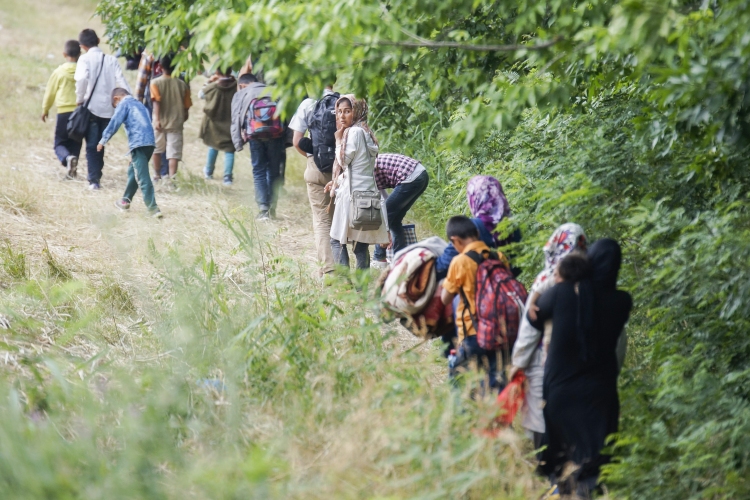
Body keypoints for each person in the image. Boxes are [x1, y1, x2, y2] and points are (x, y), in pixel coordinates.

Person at [529, 238, 632, 497]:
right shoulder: (622, 301)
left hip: (559, 390)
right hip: (600, 394)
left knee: (563, 460)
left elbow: (535, 320)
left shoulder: (562, 293)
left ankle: (563, 492)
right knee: (595, 463)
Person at [509, 224, 587, 448]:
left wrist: (518, 362)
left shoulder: (547, 280)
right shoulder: (593, 281)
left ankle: (547, 470)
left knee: (540, 415)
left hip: (545, 361)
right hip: (582, 363)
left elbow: (530, 327)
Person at [440, 215, 510, 391]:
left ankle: (465, 416)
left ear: (455, 241)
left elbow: (445, 298)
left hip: (473, 331)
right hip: (500, 330)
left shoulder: (460, 261)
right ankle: (496, 416)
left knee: (463, 383)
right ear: (477, 233)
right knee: (496, 382)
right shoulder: (499, 256)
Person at [325, 95, 388, 269]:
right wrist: (337, 181)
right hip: (367, 194)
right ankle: (363, 289)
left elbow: (344, 161)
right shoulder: (366, 131)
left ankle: (345, 283)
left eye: (347, 111)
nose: (341, 116)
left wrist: (338, 140)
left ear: (357, 111)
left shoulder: (354, 132)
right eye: (339, 112)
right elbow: (359, 166)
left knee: (337, 239)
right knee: (360, 245)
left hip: (351, 196)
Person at [289, 85, 339, 275]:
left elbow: (297, 142)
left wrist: (314, 158)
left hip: (315, 168)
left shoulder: (308, 104)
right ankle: (345, 266)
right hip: (340, 170)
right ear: (333, 82)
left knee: (321, 220)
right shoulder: (344, 104)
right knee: (339, 219)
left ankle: (328, 270)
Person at [74, 29, 131, 189]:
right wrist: (130, 100)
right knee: (101, 143)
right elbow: (122, 81)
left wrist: (79, 99)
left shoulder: (84, 60)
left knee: (92, 144)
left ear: (82, 46)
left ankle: (94, 180)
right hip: (109, 109)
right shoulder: (112, 60)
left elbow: (82, 79)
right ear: (98, 40)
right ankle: (96, 176)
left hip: (91, 108)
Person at [436, 175, 521, 279]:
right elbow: (517, 267)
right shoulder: (514, 228)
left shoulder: (472, 227)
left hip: (476, 289)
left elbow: (442, 267)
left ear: (474, 198)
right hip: (506, 288)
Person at [96, 88, 161, 218]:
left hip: (138, 143)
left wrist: (103, 140)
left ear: (116, 99)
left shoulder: (124, 104)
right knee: (133, 170)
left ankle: (153, 208)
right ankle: (125, 201)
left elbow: (115, 122)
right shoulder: (139, 104)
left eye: (115, 106)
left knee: (143, 177)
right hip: (150, 142)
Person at [231, 73, 285, 220]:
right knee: (274, 171)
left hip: (255, 136)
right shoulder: (273, 91)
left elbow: (235, 118)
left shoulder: (243, 93)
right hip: (275, 136)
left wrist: (238, 143)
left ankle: (263, 209)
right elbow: (286, 116)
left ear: (242, 85)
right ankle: (272, 208)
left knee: (259, 171)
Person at [372, 153, 430, 265]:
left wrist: (385, 231)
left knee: (384, 217)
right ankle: (400, 258)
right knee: (395, 219)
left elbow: (383, 206)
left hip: (411, 177)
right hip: (421, 175)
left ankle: (379, 259)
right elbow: (384, 198)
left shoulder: (366, 170)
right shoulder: (369, 164)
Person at [42, 40, 81, 179]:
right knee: (76, 141)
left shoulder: (59, 72)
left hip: (64, 112)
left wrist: (45, 109)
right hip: (79, 112)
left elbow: (50, 92)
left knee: (59, 143)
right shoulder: (83, 71)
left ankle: (67, 159)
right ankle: (72, 169)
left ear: (64, 54)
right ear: (80, 54)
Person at [150, 54, 191, 186]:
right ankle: (172, 179)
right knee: (173, 152)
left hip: (160, 121)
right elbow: (187, 104)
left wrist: (156, 118)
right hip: (176, 121)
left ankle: (156, 175)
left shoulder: (155, 83)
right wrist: (185, 114)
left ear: (160, 67)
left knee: (156, 149)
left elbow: (156, 101)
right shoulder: (182, 84)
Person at [199, 66, 237, 185]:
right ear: (230, 72)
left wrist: (209, 80)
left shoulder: (213, 87)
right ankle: (227, 177)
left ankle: (209, 172)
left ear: (216, 72)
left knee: (213, 145)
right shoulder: (236, 86)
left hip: (214, 123)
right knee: (230, 150)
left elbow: (201, 94)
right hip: (230, 122)